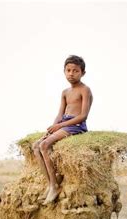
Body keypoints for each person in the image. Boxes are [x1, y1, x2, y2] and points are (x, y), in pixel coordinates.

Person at [32, 55, 93, 205]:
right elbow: (60, 114)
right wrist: (53, 127)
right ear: (64, 71)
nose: (71, 73)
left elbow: (83, 116)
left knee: (44, 145)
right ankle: (51, 183)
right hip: (64, 123)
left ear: (83, 73)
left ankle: (54, 186)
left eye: (75, 71)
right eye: (68, 70)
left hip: (75, 125)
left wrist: (60, 126)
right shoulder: (65, 92)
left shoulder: (85, 90)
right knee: (36, 145)